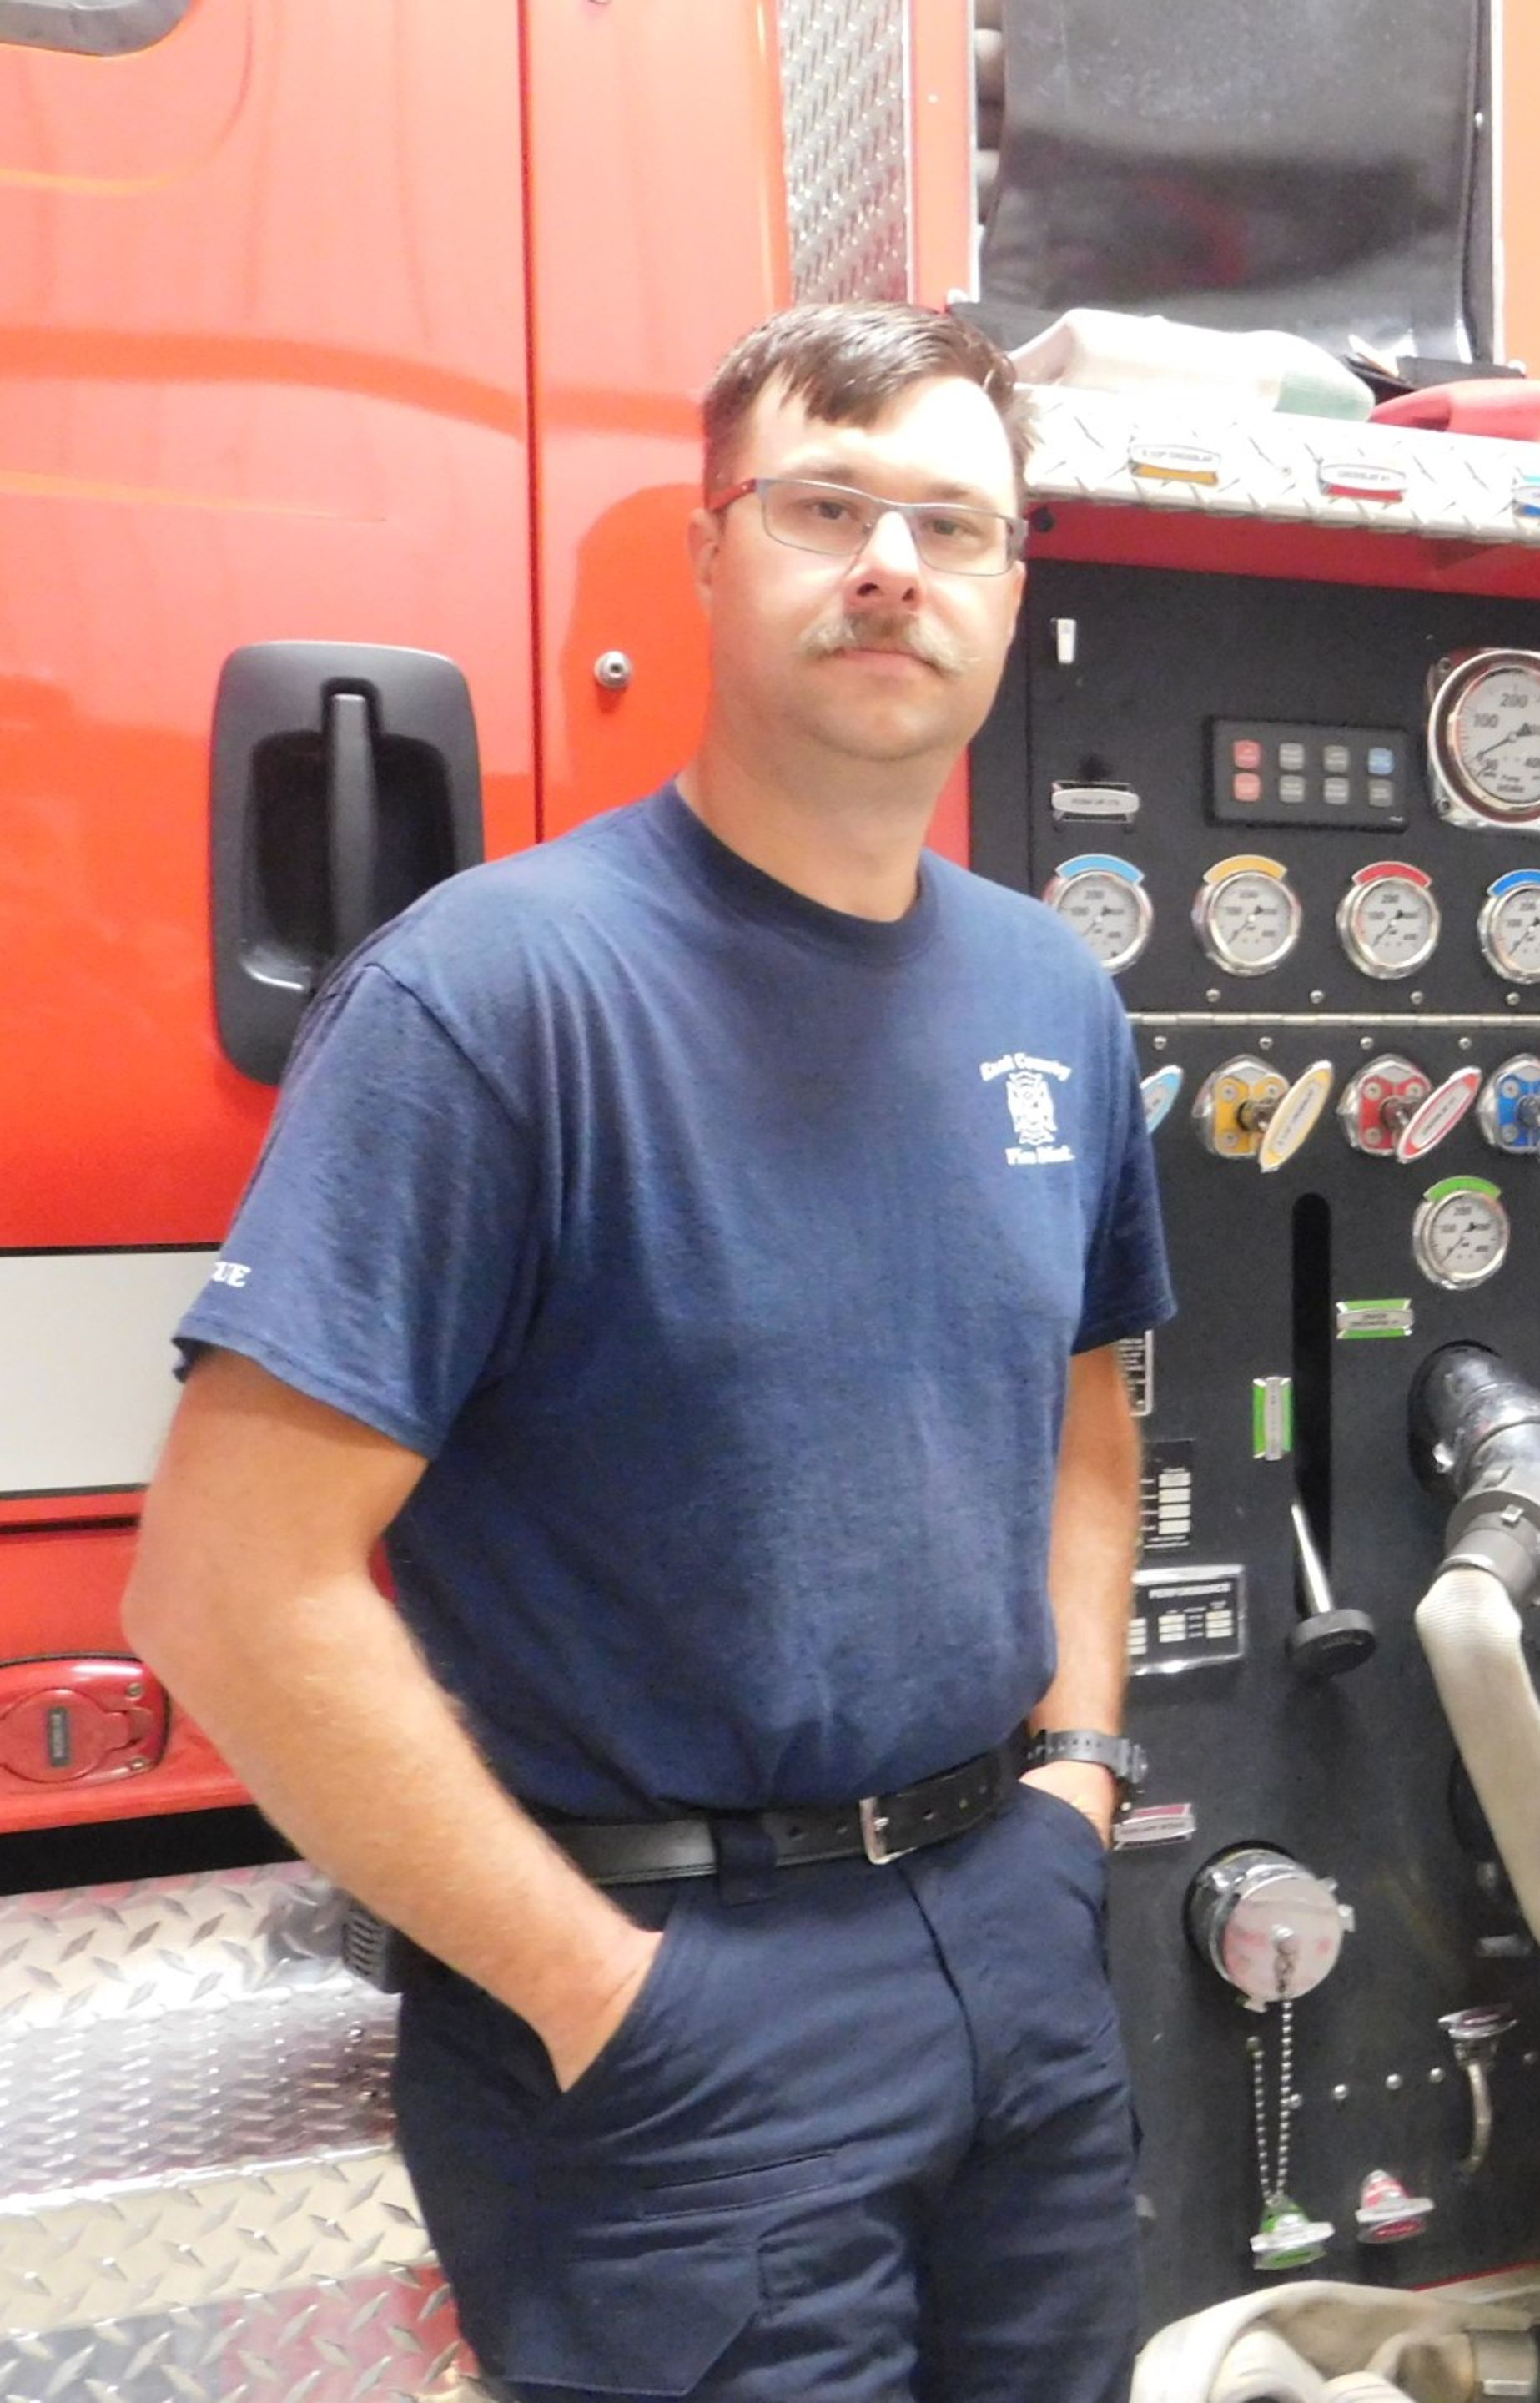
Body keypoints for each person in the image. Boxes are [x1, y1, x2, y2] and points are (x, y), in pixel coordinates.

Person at [123, 301, 1170, 2403]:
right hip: (670, 2013)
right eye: (826, 504)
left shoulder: (1054, 997)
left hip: (1014, 1947)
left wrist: (1069, 1787)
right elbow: (229, 1588)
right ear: (707, 555)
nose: (893, 564)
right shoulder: (494, 1000)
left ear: (1013, 586)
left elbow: (1084, 1421)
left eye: (953, 524)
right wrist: (597, 1988)